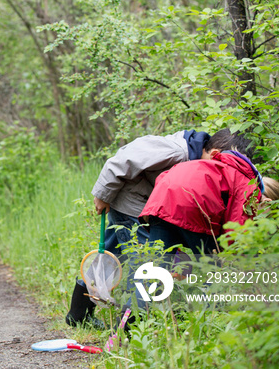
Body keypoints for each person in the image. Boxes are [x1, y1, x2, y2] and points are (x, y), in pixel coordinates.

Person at [66, 129, 254, 327]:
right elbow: (125, 158)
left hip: (145, 204)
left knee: (111, 255)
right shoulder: (178, 151)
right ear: (214, 153)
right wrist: (102, 194)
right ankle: (132, 325)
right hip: (131, 203)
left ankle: (78, 314)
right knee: (145, 261)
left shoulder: (192, 157)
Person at [141, 150, 279, 256]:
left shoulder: (226, 169)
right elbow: (235, 236)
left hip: (161, 200)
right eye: (269, 217)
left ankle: (145, 296)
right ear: (267, 203)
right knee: (214, 271)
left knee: (156, 268)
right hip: (191, 204)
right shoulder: (249, 189)